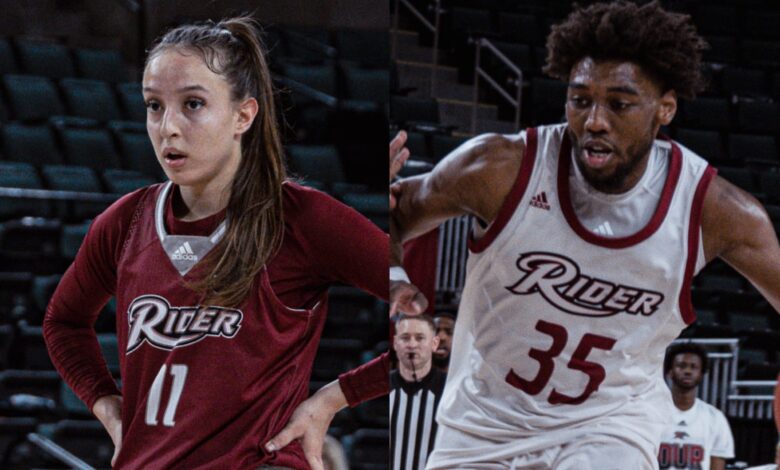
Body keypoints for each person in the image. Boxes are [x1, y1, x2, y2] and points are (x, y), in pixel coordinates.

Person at [389, 1, 780, 469]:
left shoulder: (715, 211)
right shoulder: (499, 168)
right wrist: (392, 275)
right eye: (580, 100)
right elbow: (396, 213)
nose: (595, 120)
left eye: (619, 104)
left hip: (609, 426)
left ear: (665, 108)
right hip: (482, 425)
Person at [43, 17, 388, 469]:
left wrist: (334, 398)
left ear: (243, 115)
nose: (167, 127)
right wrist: (106, 405)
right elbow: (63, 322)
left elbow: (425, 303)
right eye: (153, 106)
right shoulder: (125, 221)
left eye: (192, 104)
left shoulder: (302, 220)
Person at [658, 343, 734, 470]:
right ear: (670, 372)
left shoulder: (715, 418)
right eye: (681, 366)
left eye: (694, 367)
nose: (687, 371)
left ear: (701, 374)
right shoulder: (652, 412)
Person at [391, 314, 447, 470]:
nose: (412, 344)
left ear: (434, 343)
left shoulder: (451, 390)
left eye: (420, 338)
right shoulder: (382, 387)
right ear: (395, 343)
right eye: (405, 338)